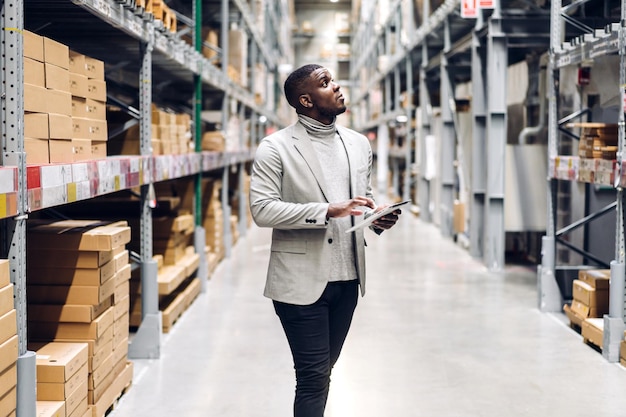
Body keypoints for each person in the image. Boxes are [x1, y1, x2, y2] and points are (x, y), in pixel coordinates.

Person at [249, 64, 402, 417]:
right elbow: (262, 210)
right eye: (325, 83)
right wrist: (326, 210)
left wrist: (377, 219)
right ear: (305, 100)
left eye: (333, 79)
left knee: (323, 372)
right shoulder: (275, 148)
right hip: (300, 283)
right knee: (313, 377)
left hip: (347, 281)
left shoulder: (358, 144)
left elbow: (360, 201)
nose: (336, 86)